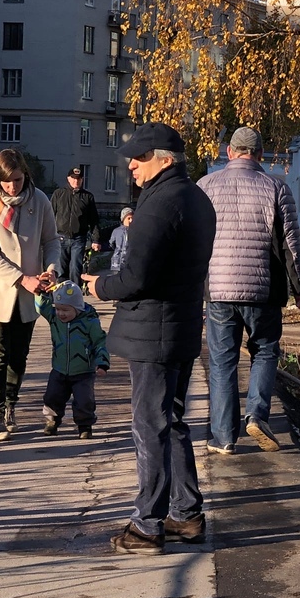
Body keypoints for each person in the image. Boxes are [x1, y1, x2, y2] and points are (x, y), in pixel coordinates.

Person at [82, 122, 216, 556]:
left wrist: (100, 286)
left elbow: (137, 276)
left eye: (138, 159)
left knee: (149, 426)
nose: (132, 167)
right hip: (177, 328)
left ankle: (148, 524)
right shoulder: (195, 198)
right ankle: (185, 514)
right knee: (172, 421)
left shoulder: (159, 204)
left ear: (164, 159)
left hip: (154, 332)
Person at [196, 126, 300, 455]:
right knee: (264, 352)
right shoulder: (276, 187)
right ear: (259, 155)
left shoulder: (205, 186)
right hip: (263, 289)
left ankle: (223, 438)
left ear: (229, 152)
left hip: (218, 289)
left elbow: (194, 240)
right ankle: (257, 415)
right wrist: (299, 286)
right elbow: (291, 243)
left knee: (222, 362)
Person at [0, 149, 61, 442]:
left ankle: (11, 405)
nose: (13, 187)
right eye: (6, 181)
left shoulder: (40, 201)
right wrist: (22, 278)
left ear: (26, 175)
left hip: (30, 292)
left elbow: (51, 241)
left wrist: (50, 270)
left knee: (19, 356)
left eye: (18, 180)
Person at [35, 280, 109, 439]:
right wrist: (41, 291)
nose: (61, 313)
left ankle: (85, 425)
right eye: (58, 309)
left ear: (77, 308)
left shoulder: (89, 322)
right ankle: (52, 421)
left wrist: (102, 362)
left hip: (83, 372)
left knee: (84, 401)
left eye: (66, 310)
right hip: (59, 369)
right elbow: (41, 307)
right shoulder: (55, 319)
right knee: (52, 396)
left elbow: (99, 342)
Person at [51, 166, 101, 283]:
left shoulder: (87, 197)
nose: (76, 181)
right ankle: (60, 297)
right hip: (60, 238)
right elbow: (49, 216)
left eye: (78, 179)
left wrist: (96, 240)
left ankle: (74, 298)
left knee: (75, 269)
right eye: (73, 178)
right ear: (68, 179)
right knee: (60, 270)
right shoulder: (59, 194)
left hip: (78, 239)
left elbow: (94, 220)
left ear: (82, 180)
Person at [108, 207, 133, 274]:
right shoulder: (116, 231)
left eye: (132, 218)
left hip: (129, 261)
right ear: (123, 219)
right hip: (117, 261)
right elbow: (111, 243)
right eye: (129, 218)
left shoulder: (134, 231)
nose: (131, 221)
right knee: (116, 279)